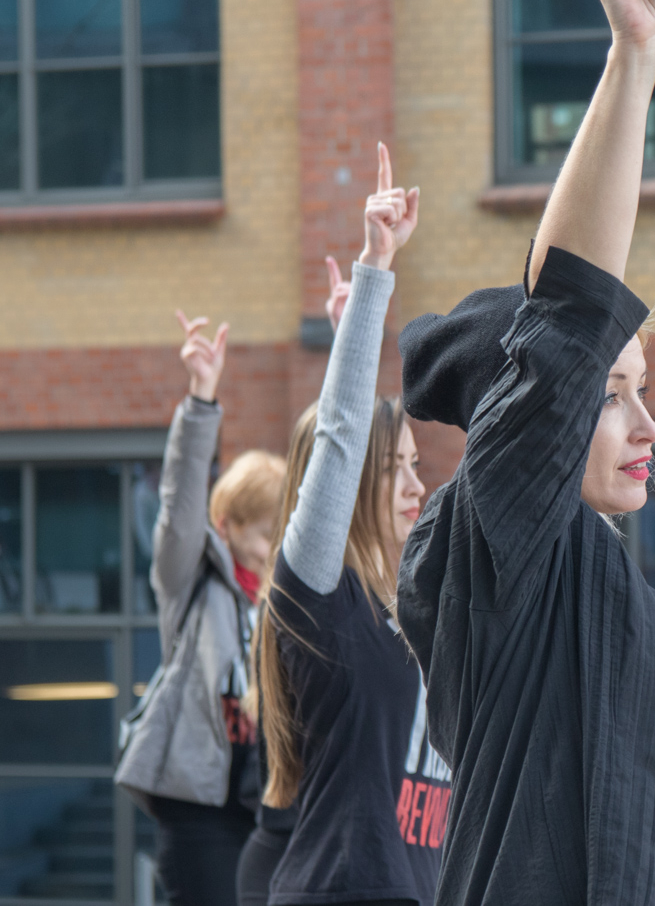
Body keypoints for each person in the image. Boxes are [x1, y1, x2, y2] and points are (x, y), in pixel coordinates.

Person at [395, 0, 655, 906]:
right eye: (612, 393)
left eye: (641, 387)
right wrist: (634, 54)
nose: (647, 422)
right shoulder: (502, 549)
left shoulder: (600, 584)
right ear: (517, 421)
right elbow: (566, 317)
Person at [252, 144, 444, 906]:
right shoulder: (320, 598)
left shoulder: (403, 604)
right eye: (396, 464)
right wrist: (375, 270)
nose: (418, 483)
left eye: (415, 461)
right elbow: (339, 438)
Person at [120, 311, 287, 906]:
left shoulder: (289, 601)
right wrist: (201, 398)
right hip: (199, 811)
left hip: (267, 799)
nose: (275, 552)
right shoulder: (192, 579)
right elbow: (179, 502)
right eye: (267, 535)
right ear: (229, 525)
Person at [233, 248, 362, 906]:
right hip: (294, 855)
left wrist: (349, 343)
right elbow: (339, 448)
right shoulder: (306, 590)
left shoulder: (366, 584)